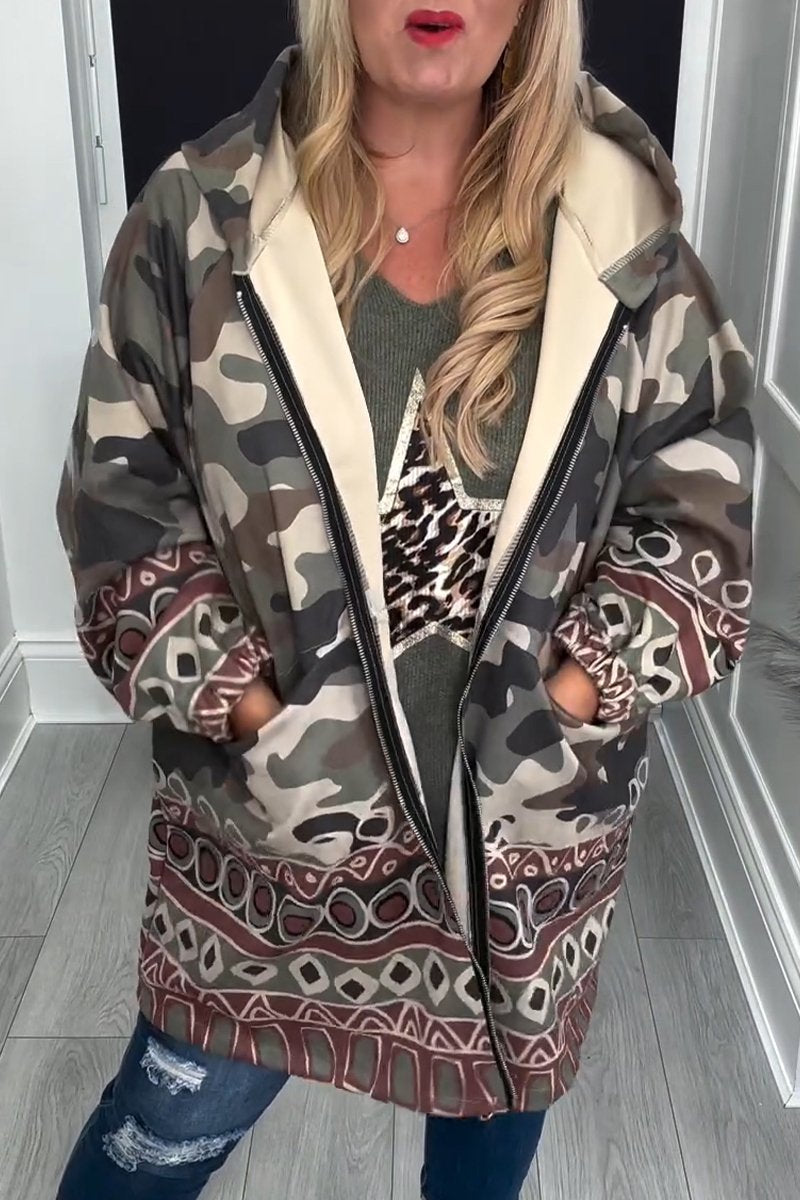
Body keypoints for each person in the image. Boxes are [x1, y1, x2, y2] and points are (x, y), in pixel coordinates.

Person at [53, 1, 755, 1197]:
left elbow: (698, 512)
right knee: (151, 1147)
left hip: (518, 859)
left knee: (480, 1170)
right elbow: (122, 503)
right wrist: (246, 707)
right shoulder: (203, 217)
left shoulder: (620, 234)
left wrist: (572, 694)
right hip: (269, 850)